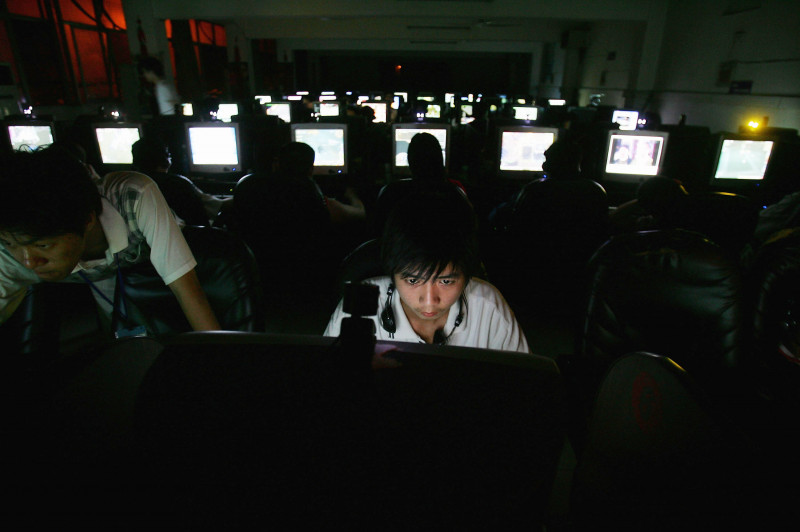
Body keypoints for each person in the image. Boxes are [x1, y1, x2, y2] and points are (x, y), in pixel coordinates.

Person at [0, 147, 220, 333]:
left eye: (43, 245)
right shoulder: (13, 246)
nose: (28, 262)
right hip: (105, 279)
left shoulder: (133, 196)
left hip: (150, 256)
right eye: (11, 244)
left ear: (87, 219)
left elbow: (188, 293)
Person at [324, 188, 530, 353]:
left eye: (446, 281)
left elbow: (520, 383)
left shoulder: (488, 307)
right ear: (392, 274)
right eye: (413, 281)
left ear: (467, 274)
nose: (430, 301)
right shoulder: (358, 307)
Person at [131, 137, 230, 226]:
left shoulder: (130, 185)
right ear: (166, 160)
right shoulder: (179, 183)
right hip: (193, 242)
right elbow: (218, 206)